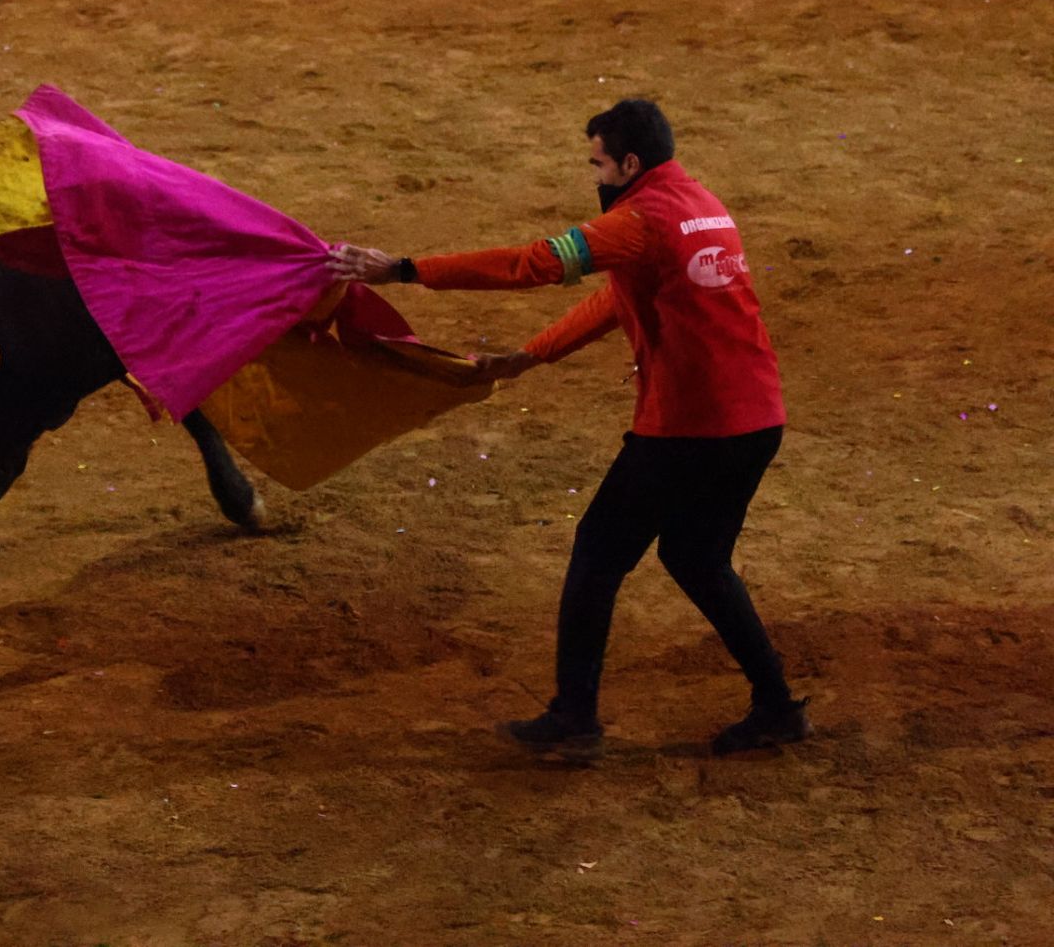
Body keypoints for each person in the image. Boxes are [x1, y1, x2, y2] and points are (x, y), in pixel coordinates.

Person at [328, 99, 809, 757]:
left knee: (597, 554)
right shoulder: (704, 205)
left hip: (687, 429)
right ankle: (777, 704)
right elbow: (620, 299)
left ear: (629, 164)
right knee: (696, 557)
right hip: (756, 421)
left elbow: (532, 264)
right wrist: (532, 355)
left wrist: (405, 269)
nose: (595, 176)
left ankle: (575, 716)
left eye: (598, 163)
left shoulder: (636, 221)